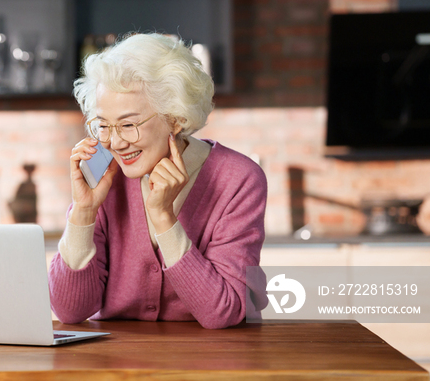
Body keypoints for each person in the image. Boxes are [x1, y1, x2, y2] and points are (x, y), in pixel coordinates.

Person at [48, 33, 268, 329]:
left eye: (128, 125)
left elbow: (225, 312)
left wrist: (164, 220)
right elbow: (70, 311)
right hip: (114, 366)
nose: (114, 142)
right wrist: (83, 213)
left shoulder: (238, 180)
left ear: (175, 118)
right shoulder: (102, 176)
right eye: (103, 125)